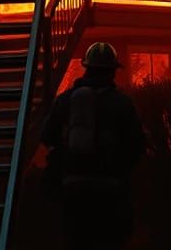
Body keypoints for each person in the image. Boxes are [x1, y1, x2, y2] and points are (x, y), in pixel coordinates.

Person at [41, 42, 145, 250]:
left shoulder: (66, 100)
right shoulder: (121, 103)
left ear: (86, 67)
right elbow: (136, 145)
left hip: (73, 189)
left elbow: (47, 136)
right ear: (113, 72)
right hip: (111, 192)